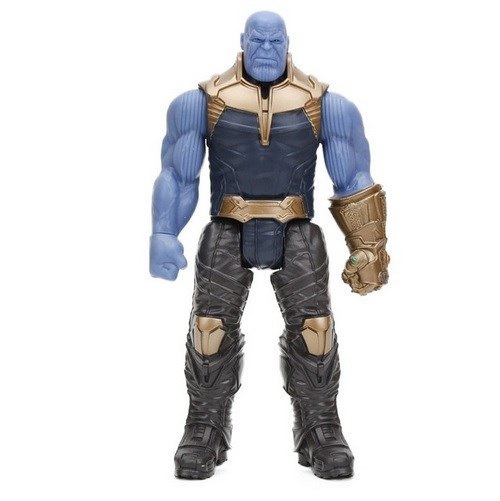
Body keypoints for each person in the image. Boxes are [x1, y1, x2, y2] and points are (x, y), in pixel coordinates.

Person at [150, 11, 389, 480]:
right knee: (209, 328)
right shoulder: (201, 102)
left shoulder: (325, 104)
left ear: (287, 42)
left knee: (316, 329)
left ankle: (319, 427)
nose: (265, 49)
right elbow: (177, 175)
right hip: (227, 226)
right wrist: (163, 232)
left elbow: (355, 178)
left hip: (296, 226)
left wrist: (369, 248)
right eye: (257, 40)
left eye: (273, 40)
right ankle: (205, 426)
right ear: (243, 41)